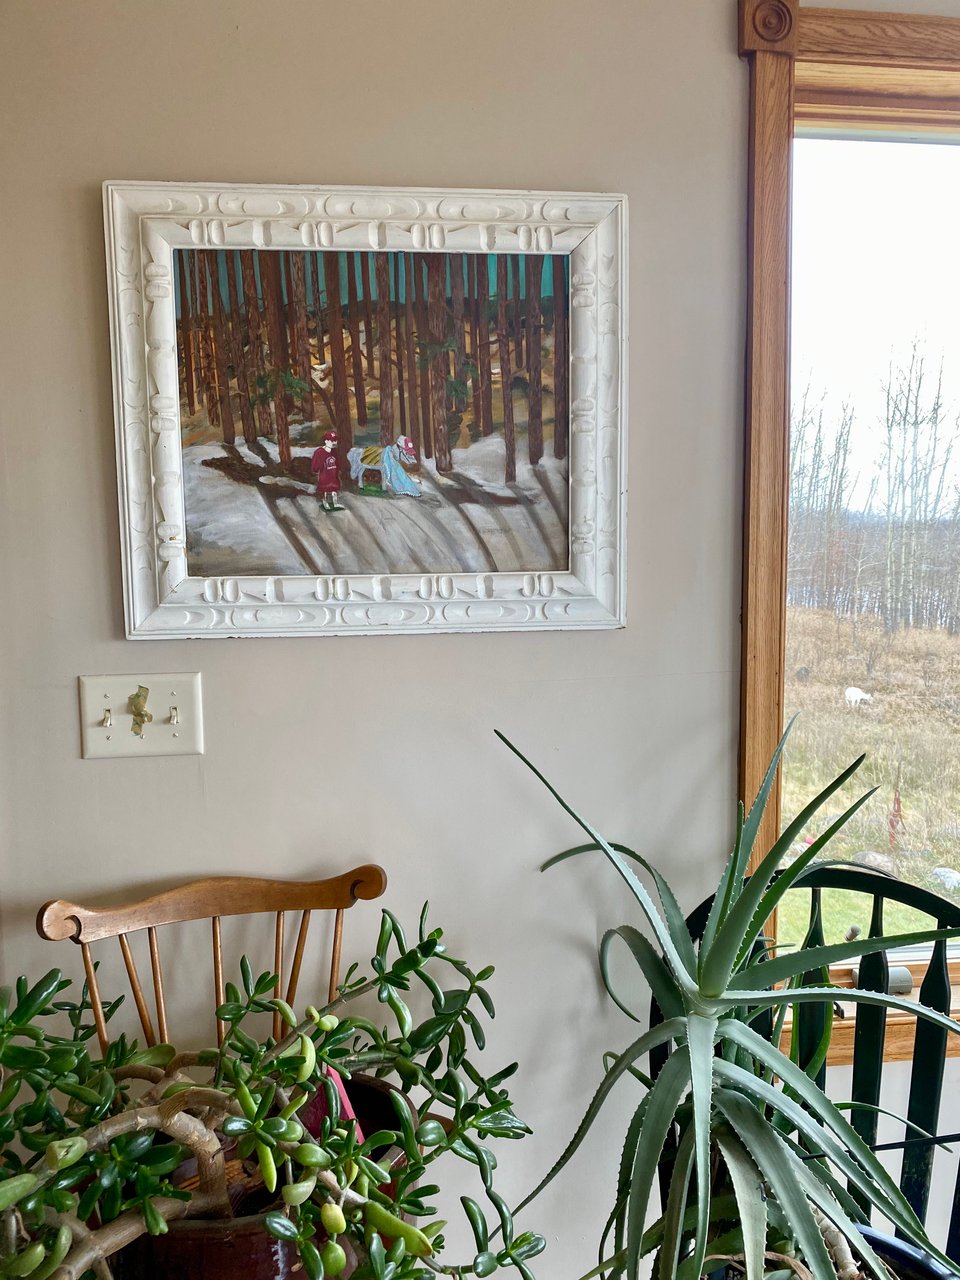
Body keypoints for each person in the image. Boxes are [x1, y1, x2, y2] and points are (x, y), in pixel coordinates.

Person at [311, 430, 344, 512]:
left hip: (334, 476)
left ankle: (335, 503)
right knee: (326, 490)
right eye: (331, 440)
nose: (334, 442)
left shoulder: (334, 452)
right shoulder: (320, 452)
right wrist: (316, 468)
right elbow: (315, 466)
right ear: (326, 441)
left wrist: (339, 469)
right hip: (325, 476)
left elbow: (337, 462)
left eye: (335, 440)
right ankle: (326, 503)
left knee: (334, 490)